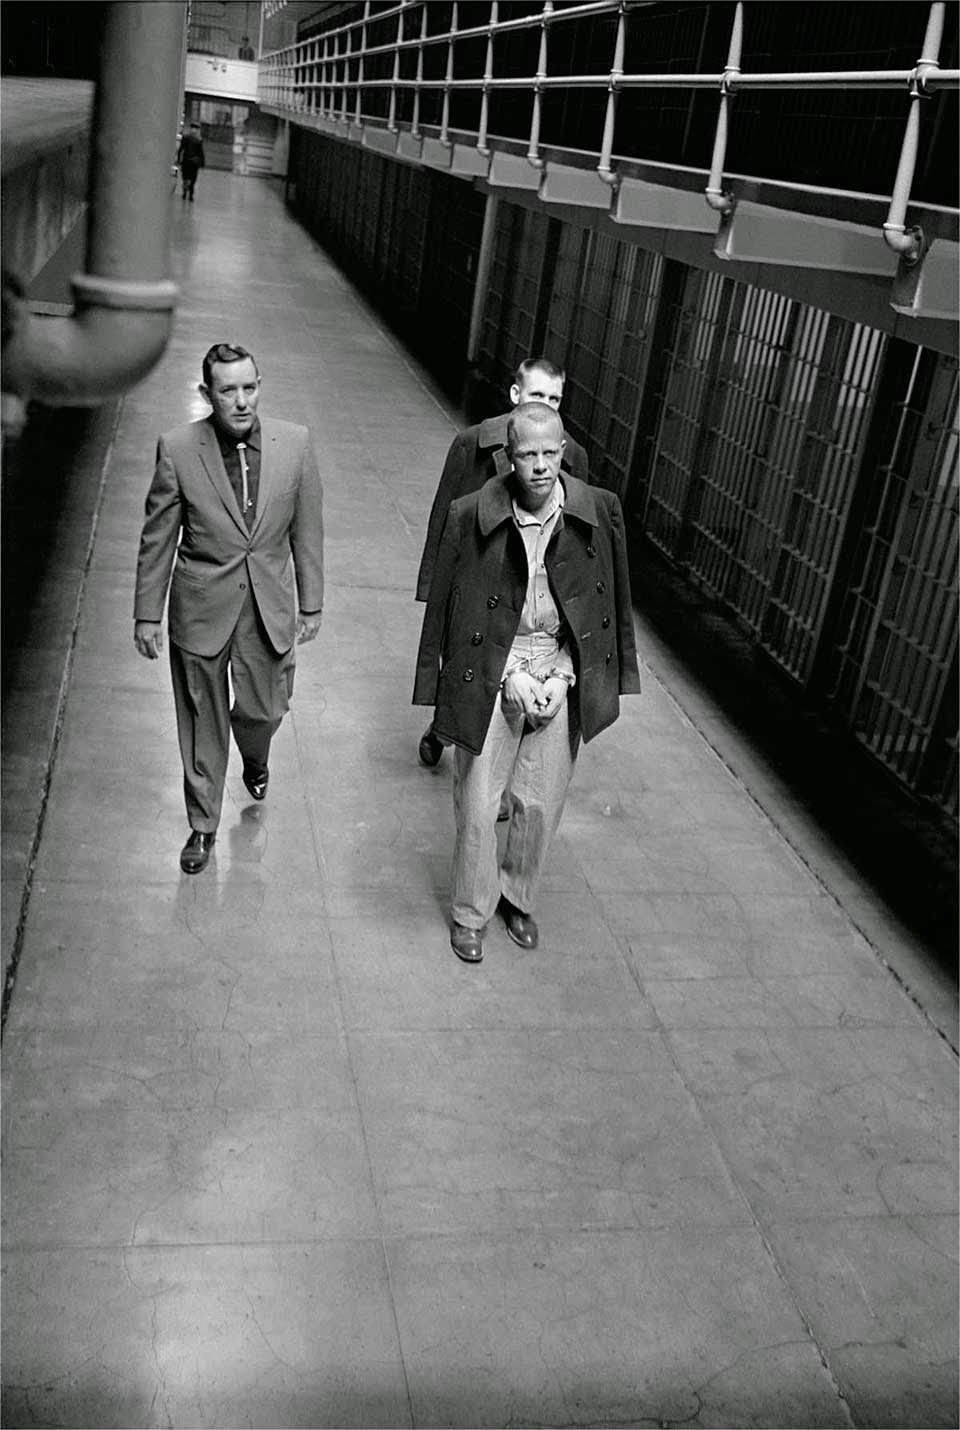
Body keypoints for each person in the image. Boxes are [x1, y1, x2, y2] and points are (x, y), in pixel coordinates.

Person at [413, 402, 641, 963]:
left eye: (549, 452)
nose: (540, 465)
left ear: (564, 452)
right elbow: (452, 613)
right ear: (508, 458)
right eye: (527, 454)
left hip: (558, 660)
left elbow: (605, 606)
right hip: (493, 657)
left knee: (541, 800)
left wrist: (565, 676)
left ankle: (518, 896)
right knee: (477, 798)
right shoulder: (472, 514)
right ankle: (471, 912)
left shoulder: (597, 512)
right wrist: (508, 675)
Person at [134, 343, 324, 874]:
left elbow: (307, 530)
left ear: (259, 385)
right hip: (200, 605)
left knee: (266, 708)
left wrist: (312, 603)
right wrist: (147, 612)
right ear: (207, 394)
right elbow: (157, 538)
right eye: (228, 391)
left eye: (250, 387)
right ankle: (203, 824)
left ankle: (255, 751)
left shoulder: (295, 445)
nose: (241, 401)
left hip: (267, 606)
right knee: (201, 717)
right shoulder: (178, 449)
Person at [415, 356, 589, 769]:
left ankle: (496, 759)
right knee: (463, 658)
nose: (545, 405)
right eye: (536, 395)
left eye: (555, 398)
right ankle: (444, 726)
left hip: (528, 573)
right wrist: (432, 583)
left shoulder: (570, 454)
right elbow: (444, 513)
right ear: (515, 395)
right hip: (474, 570)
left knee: (512, 668)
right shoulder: (473, 442)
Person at [176, 123, 205, 201]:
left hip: (190, 162)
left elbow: (200, 152)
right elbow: (181, 149)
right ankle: (188, 193)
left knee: (189, 177)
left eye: (195, 129)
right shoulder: (194, 139)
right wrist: (179, 159)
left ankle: (188, 192)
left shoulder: (195, 139)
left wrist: (179, 159)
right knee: (189, 178)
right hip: (190, 162)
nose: (194, 130)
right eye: (193, 128)